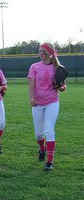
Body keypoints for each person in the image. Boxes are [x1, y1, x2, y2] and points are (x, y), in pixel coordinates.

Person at [28, 42, 66, 171]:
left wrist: (61, 87)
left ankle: (50, 161)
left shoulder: (58, 67)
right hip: (37, 103)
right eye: (40, 51)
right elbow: (31, 84)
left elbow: (63, 86)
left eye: (43, 51)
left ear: (50, 53)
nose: (41, 54)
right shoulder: (34, 66)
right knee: (39, 134)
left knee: (49, 131)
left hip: (52, 102)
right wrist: (31, 98)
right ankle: (41, 148)